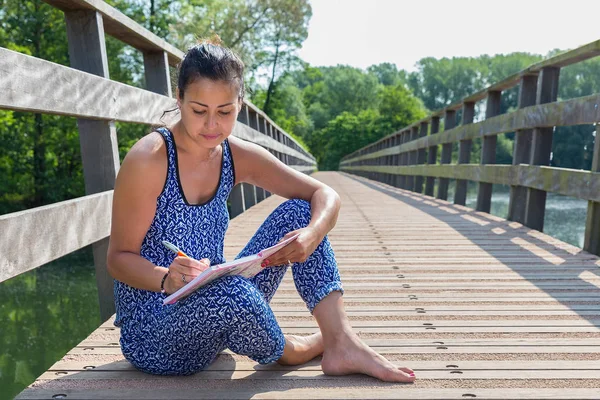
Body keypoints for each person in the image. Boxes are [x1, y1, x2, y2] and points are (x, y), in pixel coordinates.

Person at [106, 38, 416, 383]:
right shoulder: (150, 158)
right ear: (179, 100)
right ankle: (294, 350)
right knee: (233, 295)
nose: (212, 125)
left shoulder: (235, 155)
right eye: (198, 110)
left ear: (240, 103)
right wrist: (166, 278)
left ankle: (341, 341)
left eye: (225, 112)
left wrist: (311, 234)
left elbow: (324, 194)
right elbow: (118, 258)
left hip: (217, 308)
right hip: (155, 334)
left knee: (299, 212)